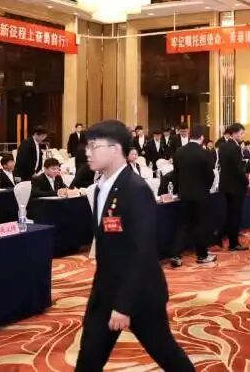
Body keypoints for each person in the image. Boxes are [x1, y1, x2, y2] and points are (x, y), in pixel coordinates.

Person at [75, 120, 194, 371]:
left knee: (167, 354)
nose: (87, 152)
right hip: (105, 291)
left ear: (115, 149)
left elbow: (142, 252)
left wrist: (124, 305)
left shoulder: (135, 189)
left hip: (139, 294)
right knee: (89, 358)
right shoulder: (100, 188)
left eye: (94, 146)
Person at [168, 124, 217, 268]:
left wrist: (179, 190)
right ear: (201, 137)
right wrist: (205, 188)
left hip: (184, 194)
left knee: (183, 225)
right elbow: (210, 176)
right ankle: (202, 255)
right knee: (200, 225)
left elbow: (176, 174)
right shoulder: (204, 153)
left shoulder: (179, 152)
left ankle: (175, 254)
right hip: (200, 195)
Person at [219, 123, 249, 251]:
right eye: (241, 133)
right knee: (234, 215)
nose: (242, 136)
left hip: (226, 185)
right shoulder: (235, 147)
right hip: (235, 186)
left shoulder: (223, 145)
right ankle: (233, 243)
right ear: (235, 133)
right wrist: (246, 182)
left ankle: (220, 236)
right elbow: (238, 169)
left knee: (231, 214)